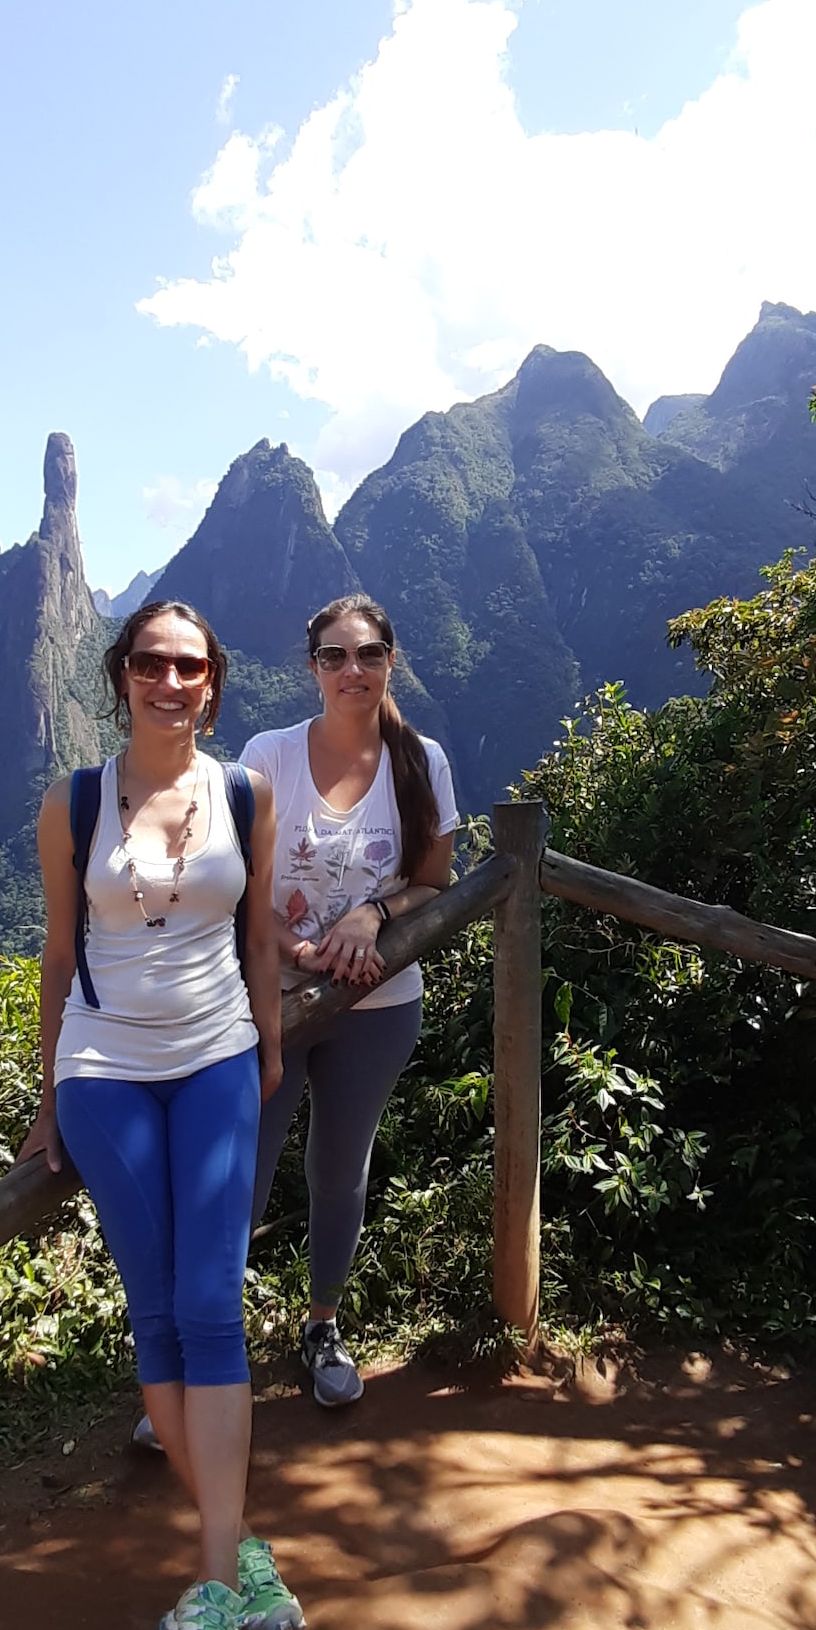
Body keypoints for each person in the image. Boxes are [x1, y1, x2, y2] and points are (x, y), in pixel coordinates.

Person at [15, 599, 304, 1630]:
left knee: (210, 1309)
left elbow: (259, 936)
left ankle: (218, 1584)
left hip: (219, 1057)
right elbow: (55, 950)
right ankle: (240, 1569)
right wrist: (47, 1098)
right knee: (159, 1315)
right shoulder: (75, 800)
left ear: (213, 683)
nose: (169, 682)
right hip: (104, 1072)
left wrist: (271, 1042)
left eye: (189, 666)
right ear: (121, 674)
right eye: (150, 662)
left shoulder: (246, 793)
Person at [240, 593, 459, 1407]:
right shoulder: (269, 756)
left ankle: (322, 1324)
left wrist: (374, 913)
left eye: (367, 653)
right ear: (312, 668)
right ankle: (208, 1354)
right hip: (274, 1003)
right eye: (334, 655)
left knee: (340, 1169)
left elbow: (434, 883)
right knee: (244, 1175)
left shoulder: (420, 759)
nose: (351, 669)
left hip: (378, 1008)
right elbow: (236, 884)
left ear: (389, 659)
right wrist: (296, 948)